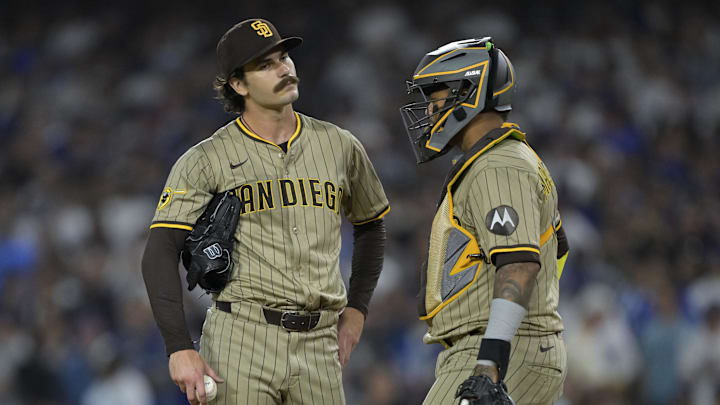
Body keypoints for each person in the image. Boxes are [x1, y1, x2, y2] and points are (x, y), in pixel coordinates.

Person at [141, 18, 389, 405]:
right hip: (242, 338)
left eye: (284, 56)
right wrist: (178, 347)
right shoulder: (207, 158)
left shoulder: (340, 146)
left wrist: (357, 310)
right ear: (238, 85)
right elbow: (159, 252)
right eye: (265, 64)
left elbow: (371, 226)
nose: (284, 68)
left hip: (319, 344)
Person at [400, 38, 569, 405]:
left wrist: (489, 365)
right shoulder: (503, 160)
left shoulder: (497, 165)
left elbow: (520, 264)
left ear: (468, 91)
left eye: (436, 96)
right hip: (514, 347)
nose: (429, 109)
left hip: (501, 351)